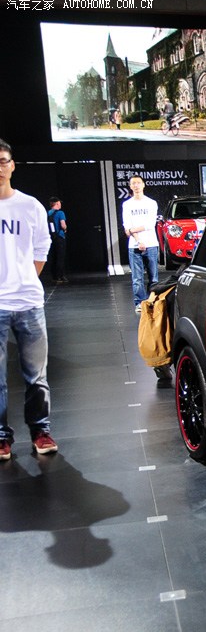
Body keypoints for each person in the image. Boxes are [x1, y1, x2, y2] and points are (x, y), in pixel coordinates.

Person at [0, 138, 59, 460]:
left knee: (37, 376)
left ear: (12, 165)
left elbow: (41, 247)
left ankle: (40, 430)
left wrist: (25, 278)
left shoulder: (30, 206)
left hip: (29, 303)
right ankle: (1, 437)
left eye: (3, 161)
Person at [121, 175, 160, 313]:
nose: (136, 185)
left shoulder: (151, 203)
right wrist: (138, 240)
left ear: (143, 184)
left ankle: (153, 301)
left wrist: (132, 230)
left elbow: (150, 224)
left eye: (138, 183)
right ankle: (139, 303)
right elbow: (127, 225)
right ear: (130, 186)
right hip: (134, 245)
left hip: (151, 244)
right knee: (137, 278)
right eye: (133, 183)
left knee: (153, 277)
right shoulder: (127, 204)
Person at [46, 196, 69, 284]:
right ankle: (61, 276)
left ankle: (54, 276)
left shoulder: (47, 213)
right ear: (57, 203)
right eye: (59, 203)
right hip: (59, 237)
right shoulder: (60, 213)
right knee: (60, 256)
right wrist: (65, 229)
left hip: (51, 237)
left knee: (53, 256)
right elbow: (63, 224)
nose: (60, 204)